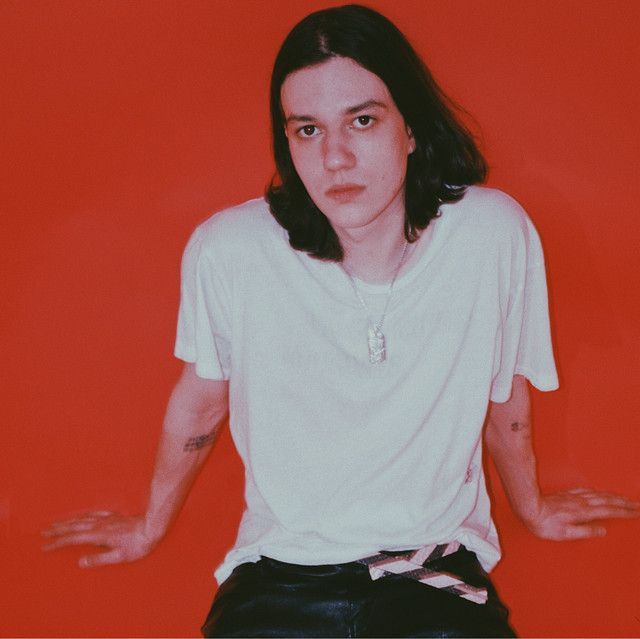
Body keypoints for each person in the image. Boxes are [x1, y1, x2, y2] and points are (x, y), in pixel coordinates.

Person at [42, 5, 640, 637]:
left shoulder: (490, 233)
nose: (335, 158)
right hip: (279, 575)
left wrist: (533, 509)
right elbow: (202, 398)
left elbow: (503, 392)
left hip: (430, 567)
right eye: (307, 130)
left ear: (411, 128)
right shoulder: (231, 249)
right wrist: (148, 526)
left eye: (362, 120)